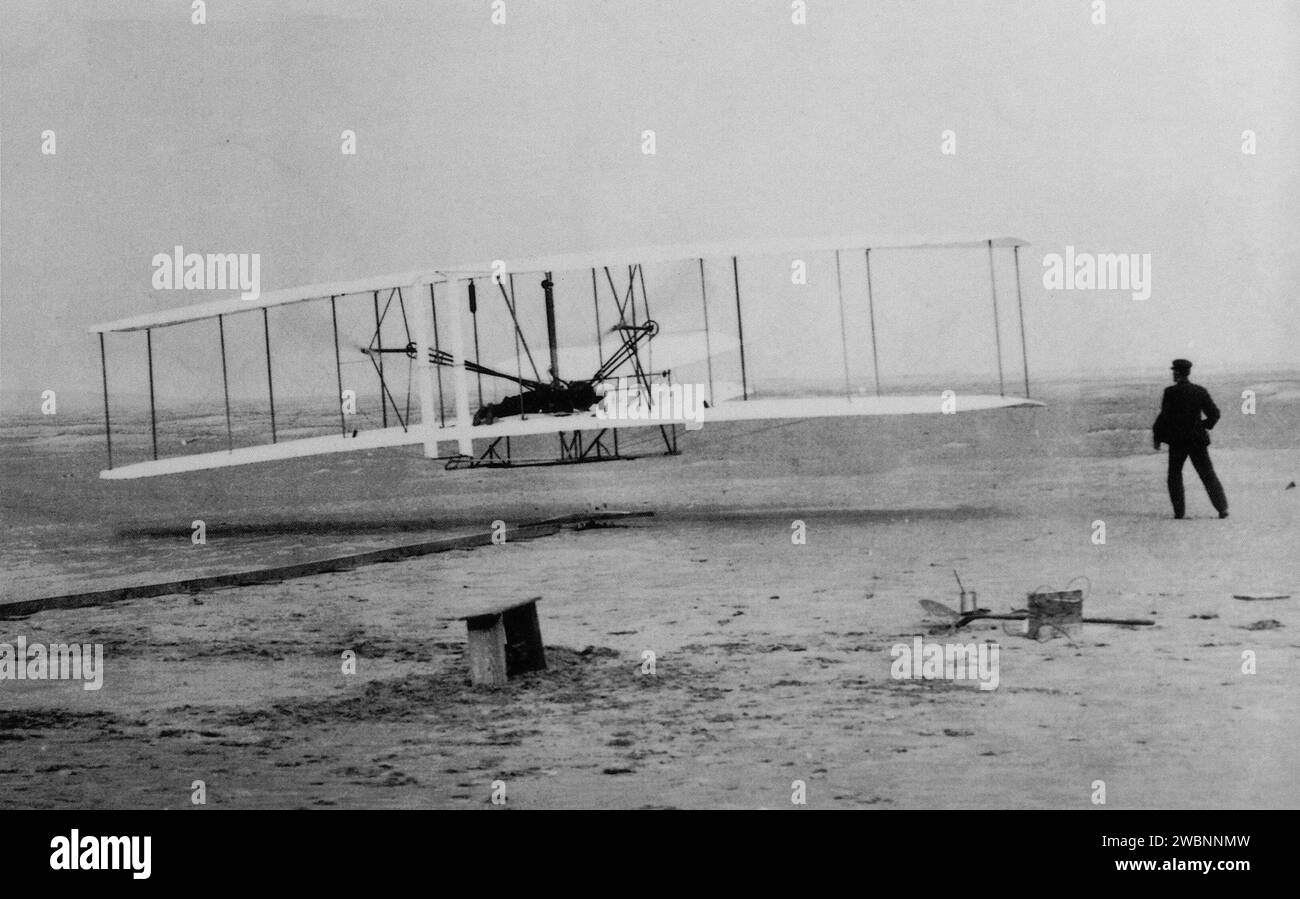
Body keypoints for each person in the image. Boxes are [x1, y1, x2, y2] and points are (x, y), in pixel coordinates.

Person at [1152, 359, 1228, 519]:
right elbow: (1215, 414)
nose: (1173, 373)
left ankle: (1179, 512)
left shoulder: (1170, 392)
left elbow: (1164, 417)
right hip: (1197, 440)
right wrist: (1202, 425)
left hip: (1178, 441)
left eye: (1174, 371)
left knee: (1174, 476)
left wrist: (1157, 436)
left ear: (1178, 373)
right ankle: (1222, 509)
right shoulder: (1200, 391)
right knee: (1207, 475)